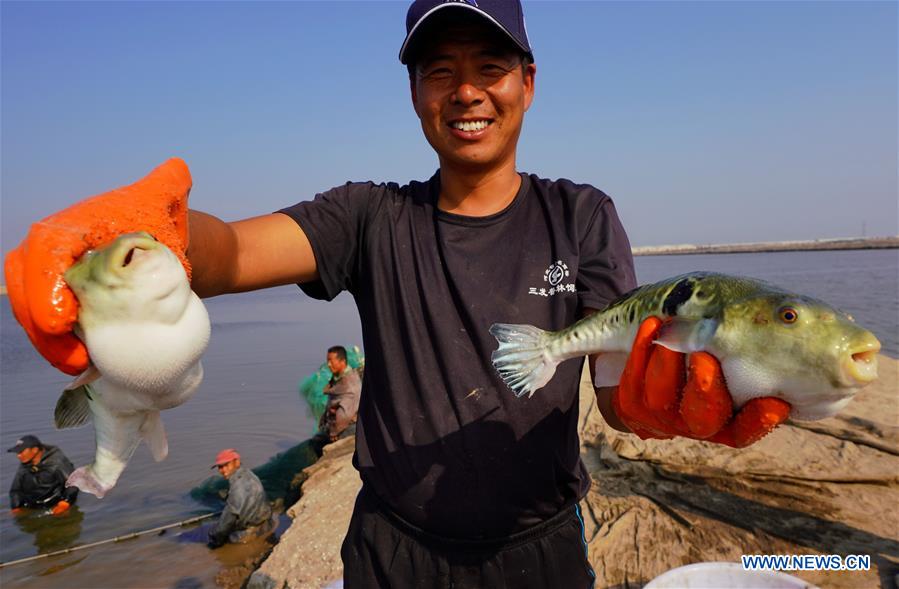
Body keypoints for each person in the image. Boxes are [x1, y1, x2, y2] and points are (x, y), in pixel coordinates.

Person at [6, 1, 791, 585]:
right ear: (414, 90)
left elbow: (619, 392)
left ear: (528, 81)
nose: (466, 91)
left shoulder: (580, 215)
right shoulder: (370, 217)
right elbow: (230, 252)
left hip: (539, 551)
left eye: (488, 66)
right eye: (439, 69)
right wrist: (151, 230)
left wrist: (660, 407)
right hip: (391, 548)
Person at [207, 449, 275, 548]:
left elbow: (227, 520)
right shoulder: (249, 474)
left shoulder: (237, 487)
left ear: (237, 462)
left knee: (209, 534)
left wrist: (214, 536)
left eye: (226, 465)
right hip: (267, 523)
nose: (223, 470)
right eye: (220, 467)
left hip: (248, 533)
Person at [8, 435, 78, 516]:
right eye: (17, 453)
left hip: (54, 505)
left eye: (21, 452)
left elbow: (73, 483)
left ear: (35, 450)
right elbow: (15, 490)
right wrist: (15, 507)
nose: (18, 456)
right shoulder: (25, 464)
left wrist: (65, 503)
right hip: (31, 506)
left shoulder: (57, 462)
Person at [318, 345, 362, 442]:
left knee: (318, 442)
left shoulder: (349, 383)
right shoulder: (338, 378)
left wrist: (334, 432)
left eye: (331, 361)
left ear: (342, 362)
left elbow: (344, 415)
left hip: (350, 426)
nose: (328, 364)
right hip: (340, 424)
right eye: (327, 361)